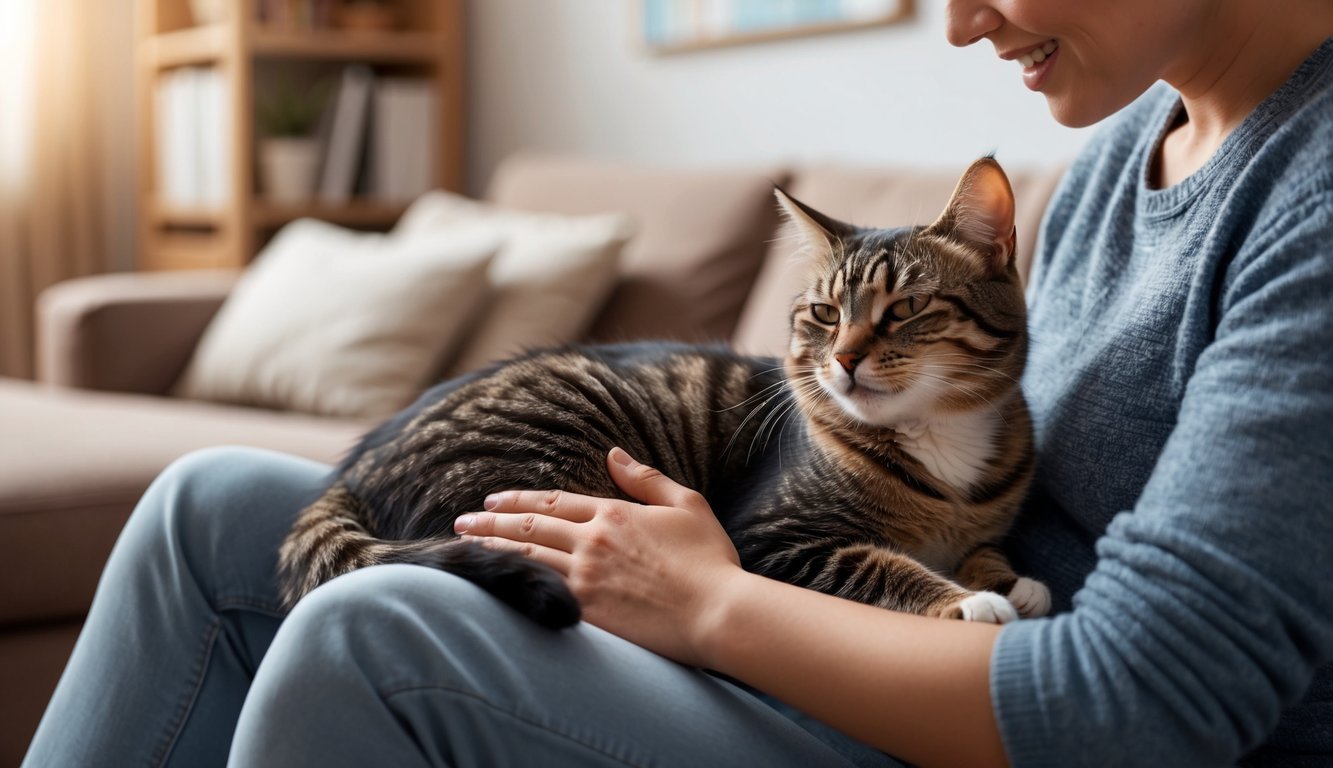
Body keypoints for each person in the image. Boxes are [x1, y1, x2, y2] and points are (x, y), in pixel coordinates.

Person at [24, 1, 1333, 765]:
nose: (957, 22)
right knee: (206, 506)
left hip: (998, 726)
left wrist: (712, 607)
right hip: (901, 621)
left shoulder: (1311, 195)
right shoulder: (1118, 157)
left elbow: (1137, 706)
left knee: (369, 634)